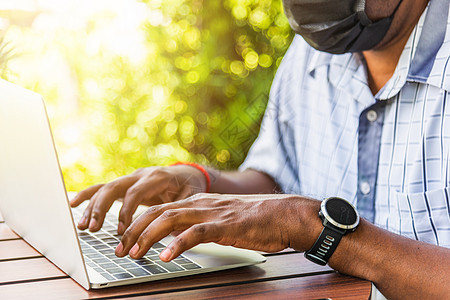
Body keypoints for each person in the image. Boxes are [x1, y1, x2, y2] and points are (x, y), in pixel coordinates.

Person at [71, 0, 450, 298]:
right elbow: (274, 178)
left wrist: (309, 225)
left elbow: (292, 216)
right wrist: (202, 182)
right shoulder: (310, 52)